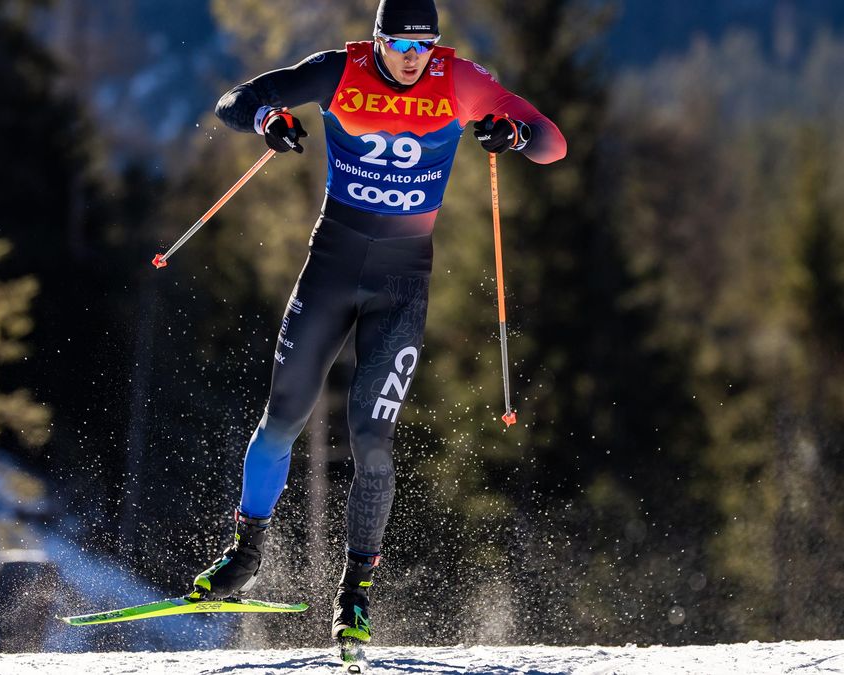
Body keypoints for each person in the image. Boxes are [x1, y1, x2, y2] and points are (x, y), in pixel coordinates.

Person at [188, 0, 566, 650]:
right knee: (283, 414)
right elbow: (236, 98)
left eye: (424, 48)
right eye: (400, 47)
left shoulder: (459, 79)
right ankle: (244, 553)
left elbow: (552, 142)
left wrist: (516, 135)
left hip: (402, 280)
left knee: (372, 438)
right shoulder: (341, 70)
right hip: (333, 263)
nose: (413, 60)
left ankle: (354, 596)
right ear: (379, 40)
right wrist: (267, 118)